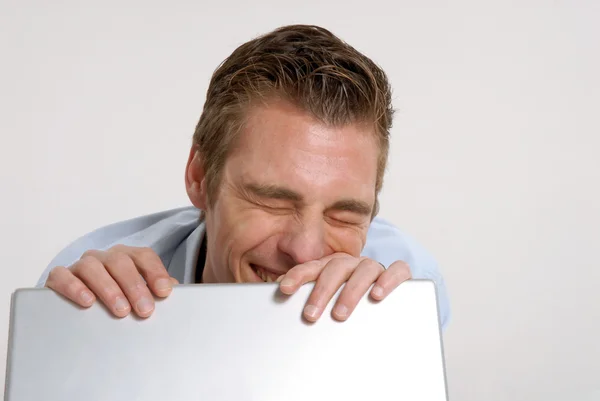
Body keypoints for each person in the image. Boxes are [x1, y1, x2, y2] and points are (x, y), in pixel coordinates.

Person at [36, 24, 450, 329]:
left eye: (344, 214)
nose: (305, 252)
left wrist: (377, 342)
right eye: (273, 201)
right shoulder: (90, 284)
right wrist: (75, 336)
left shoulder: (408, 289)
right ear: (200, 176)